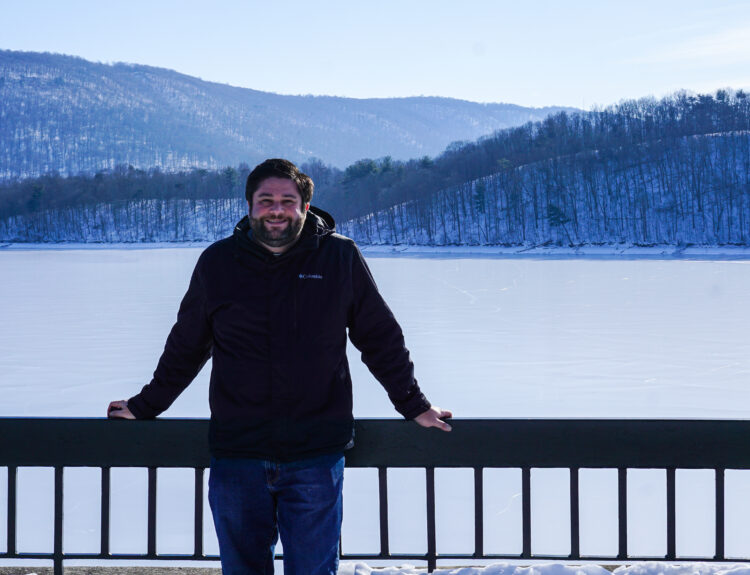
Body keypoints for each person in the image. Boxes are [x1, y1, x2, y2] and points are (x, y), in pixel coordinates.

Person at [107, 158, 452, 575]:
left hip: (316, 454)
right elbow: (187, 346)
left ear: (305, 207)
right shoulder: (218, 263)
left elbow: (379, 337)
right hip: (238, 454)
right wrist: (145, 405)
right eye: (265, 199)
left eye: (287, 201)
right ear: (249, 205)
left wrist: (413, 404)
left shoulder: (339, 257)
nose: (276, 209)